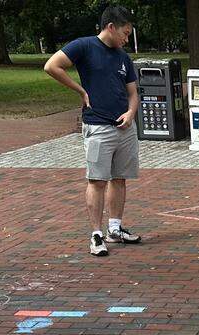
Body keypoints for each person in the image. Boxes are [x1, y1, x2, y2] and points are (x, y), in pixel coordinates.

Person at [44, 6, 142, 257]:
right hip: (98, 126)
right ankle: (96, 234)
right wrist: (80, 90)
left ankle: (115, 228)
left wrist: (131, 113)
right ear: (111, 27)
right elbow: (52, 66)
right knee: (97, 180)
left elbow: (133, 93)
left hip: (125, 128)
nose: (126, 39)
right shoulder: (84, 46)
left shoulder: (122, 57)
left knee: (119, 178)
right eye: (125, 33)